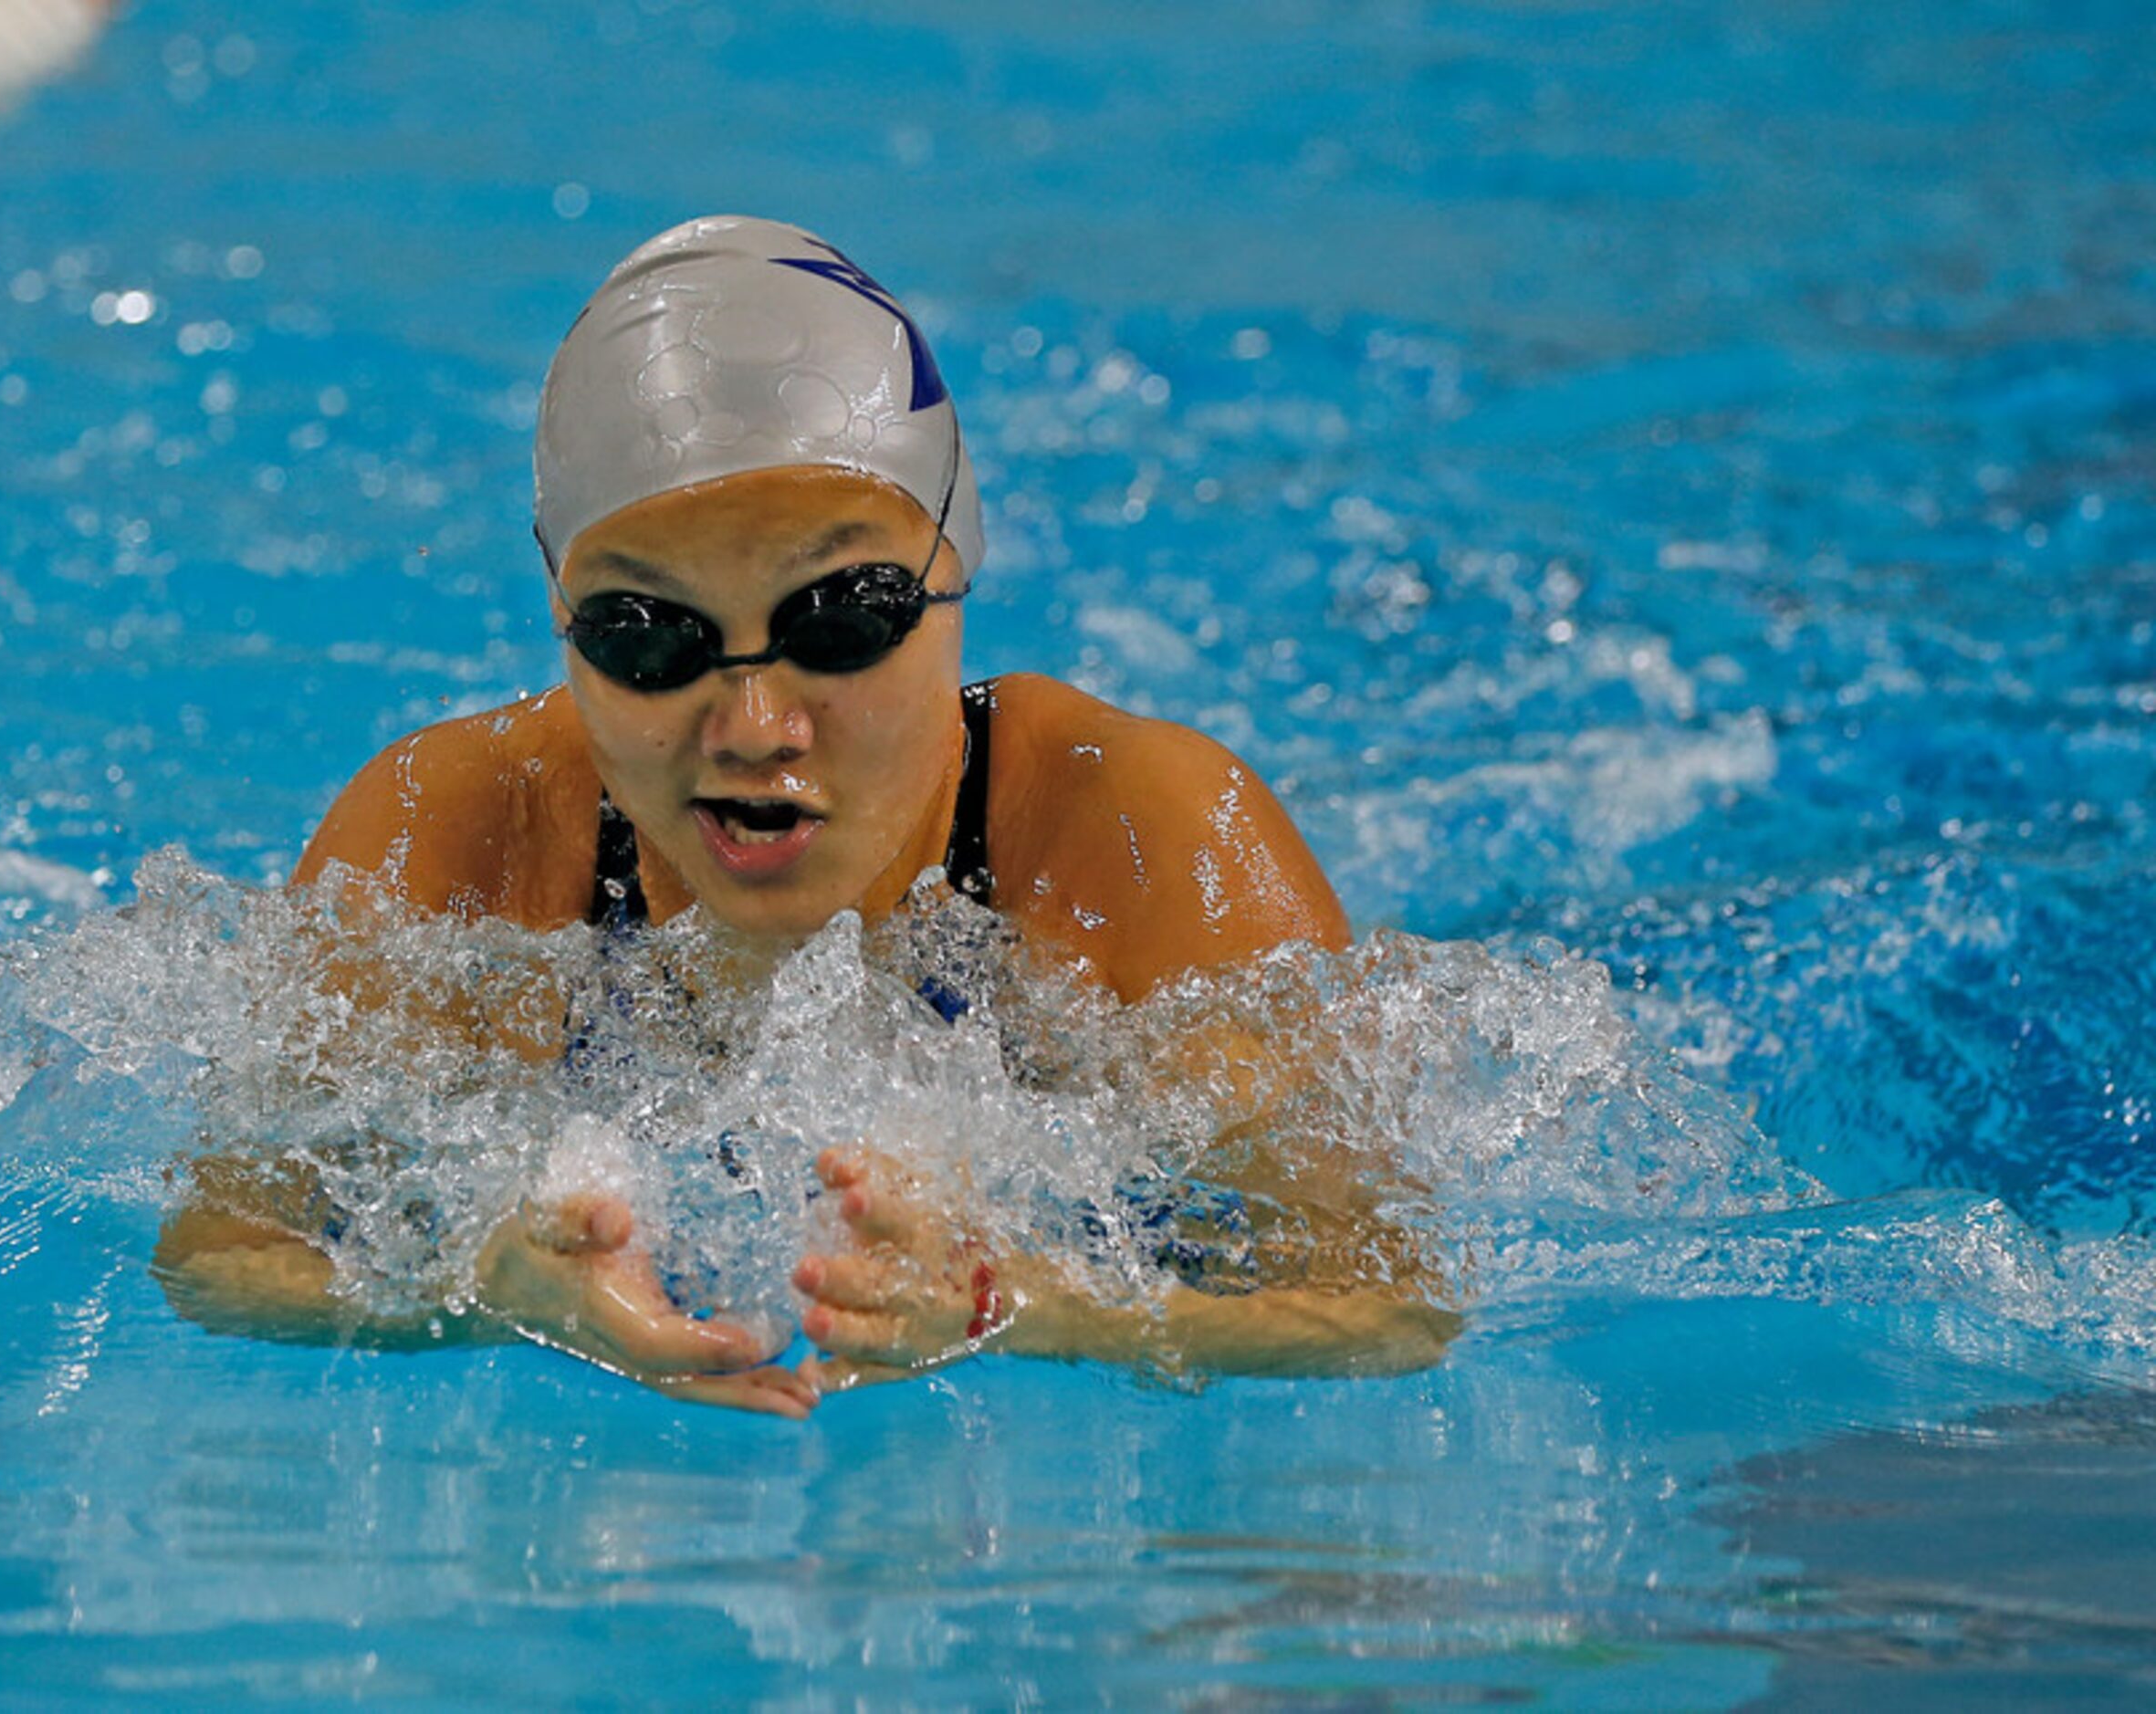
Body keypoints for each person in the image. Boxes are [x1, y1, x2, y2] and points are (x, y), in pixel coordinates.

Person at [155, 215, 1458, 1416]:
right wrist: (479, 1295)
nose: (755, 725)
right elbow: (219, 1257)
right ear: (563, 626)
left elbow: (1387, 1309)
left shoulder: (1143, 838)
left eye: (842, 616)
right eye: (647, 635)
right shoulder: (455, 838)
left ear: (957, 574)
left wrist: (1038, 1309)